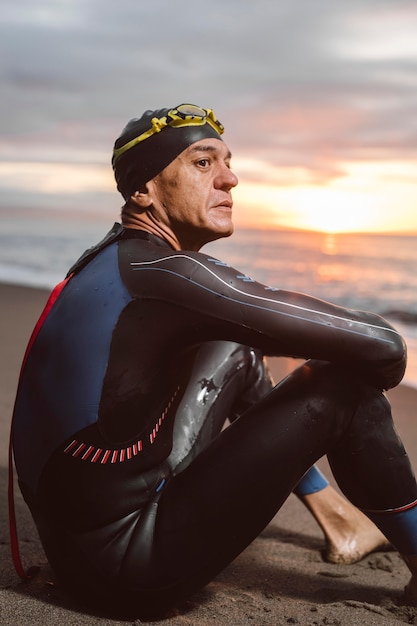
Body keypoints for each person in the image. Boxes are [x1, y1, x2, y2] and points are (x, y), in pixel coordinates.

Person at [11, 104, 417, 618]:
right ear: (144, 190)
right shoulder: (164, 274)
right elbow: (384, 344)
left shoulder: (116, 257)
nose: (231, 178)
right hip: (126, 568)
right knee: (343, 388)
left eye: (227, 162)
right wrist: (355, 391)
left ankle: (339, 517)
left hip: (85, 540)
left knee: (235, 348)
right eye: (203, 163)